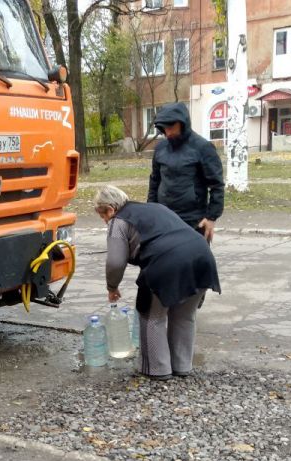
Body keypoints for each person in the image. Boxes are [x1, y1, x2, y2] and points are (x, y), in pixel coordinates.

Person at [95, 185, 220, 380]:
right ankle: (181, 367)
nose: (104, 221)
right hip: (202, 256)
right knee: (184, 316)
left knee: (152, 316)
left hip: (166, 264)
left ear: (110, 209)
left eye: (102, 216)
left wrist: (112, 287)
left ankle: (157, 369)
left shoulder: (118, 221)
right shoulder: (155, 208)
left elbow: (115, 261)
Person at [148, 103, 224, 243]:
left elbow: (216, 185)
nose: (168, 132)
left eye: (171, 127)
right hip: (164, 219)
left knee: (193, 263)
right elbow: (154, 181)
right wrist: (151, 211)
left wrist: (211, 217)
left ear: (182, 123)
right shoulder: (160, 148)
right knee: (166, 262)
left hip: (194, 221)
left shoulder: (203, 147)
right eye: (165, 128)